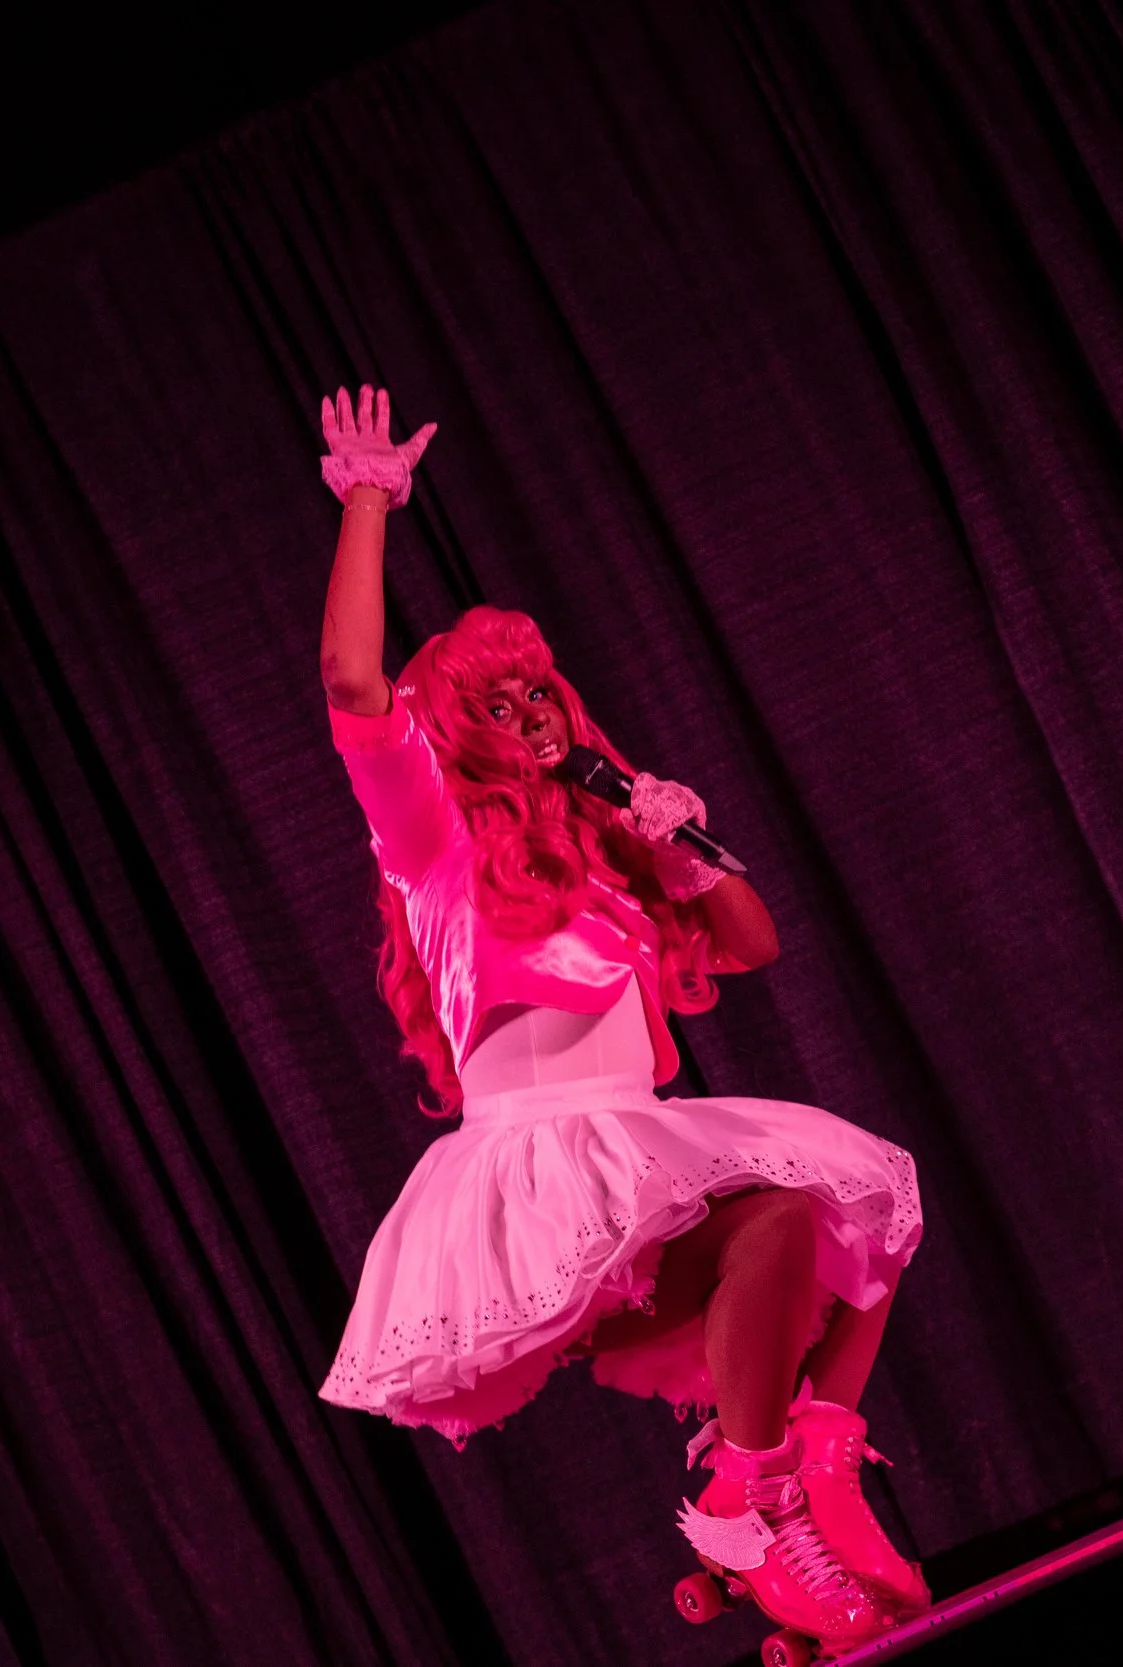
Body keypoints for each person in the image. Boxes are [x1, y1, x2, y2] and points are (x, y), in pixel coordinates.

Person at [309, 385, 930, 1655]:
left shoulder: (603, 847)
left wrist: (673, 841)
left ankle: (782, 1482)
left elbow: (753, 941)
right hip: (540, 1171)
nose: (531, 720)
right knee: (800, 1206)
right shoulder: (431, 841)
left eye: (538, 696)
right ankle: (758, 1500)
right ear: (459, 737)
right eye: (497, 709)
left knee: (842, 1208)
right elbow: (352, 682)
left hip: (632, 1143)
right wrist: (369, 500)